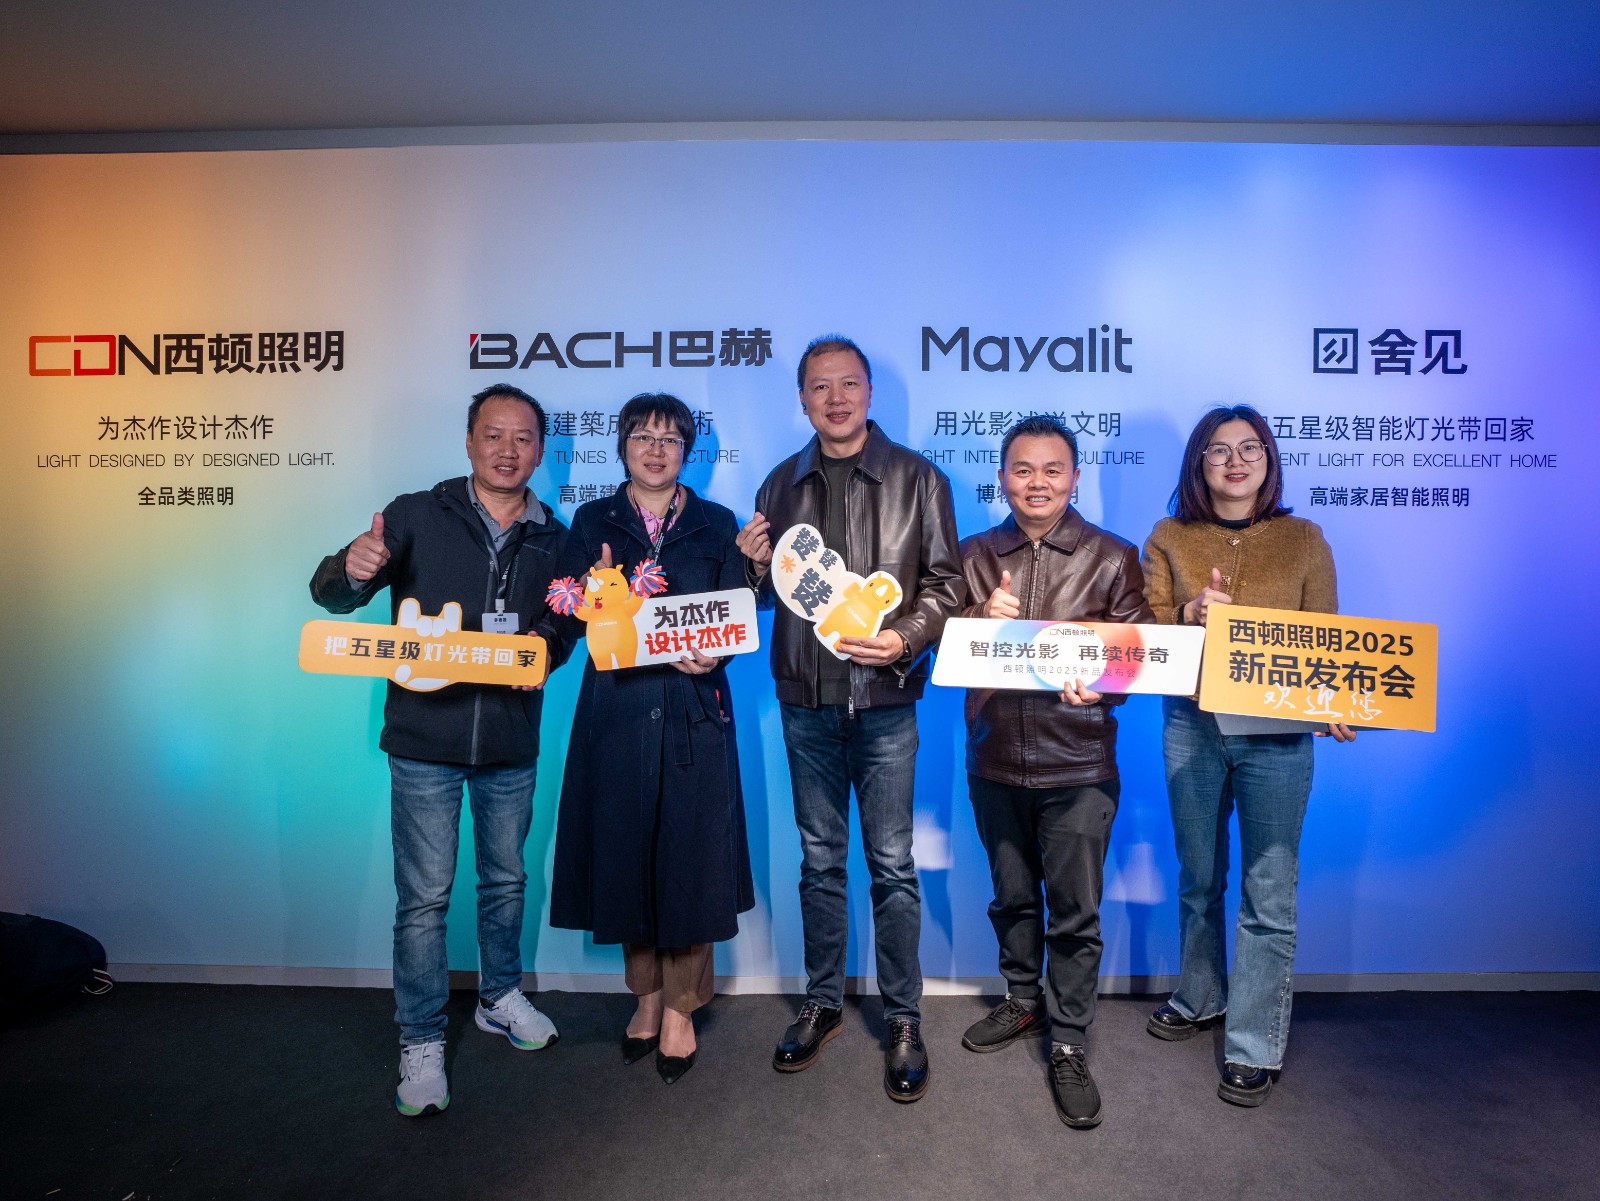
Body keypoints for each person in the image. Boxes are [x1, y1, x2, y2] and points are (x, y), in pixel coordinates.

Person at [309, 384, 569, 1118]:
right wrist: (351, 567)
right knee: (423, 898)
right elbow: (333, 593)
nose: (508, 450)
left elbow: (569, 622)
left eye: (523, 437)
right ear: (469, 441)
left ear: (540, 450)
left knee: (506, 880)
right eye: (494, 435)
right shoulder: (417, 513)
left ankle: (499, 996)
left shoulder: (555, 536)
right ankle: (420, 1037)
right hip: (425, 738)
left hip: (510, 740)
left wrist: (544, 650)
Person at [736, 335, 964, 1103]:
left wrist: (905, 637)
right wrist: (751, 566)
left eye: (849, 383)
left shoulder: (919, 478)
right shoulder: (779, 484)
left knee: (892, 863)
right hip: (805, 702)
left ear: (869, 392)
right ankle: (823, 1000)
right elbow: (762, 597)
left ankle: (903, 1017)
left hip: (886, 702)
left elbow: (947, 584)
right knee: (820, 859)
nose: (835, 398)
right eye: (820, 386)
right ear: (802, 400)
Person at [1140, 404, 1356, 1107]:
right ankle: (1201, 995)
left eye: (1250, 448)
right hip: (1192, 724)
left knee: (1268, 888)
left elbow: (1328, 638)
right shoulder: (1169, 536)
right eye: (1219, 450)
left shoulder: (1304, 539)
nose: (1236, 461)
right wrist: (1186, 615)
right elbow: (1141, 628)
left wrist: (1337, 702)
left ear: (1269, 459)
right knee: (1198, 876)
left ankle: (1254, 1042)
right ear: (1198, 463)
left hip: (1277, 734)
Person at [549, 392, 754, 1086]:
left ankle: (682, 1007)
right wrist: (589, 593)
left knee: (690, 860)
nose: (656, 449)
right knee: (626, 851)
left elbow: (735, 611)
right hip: (618, 707)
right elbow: (569, 608)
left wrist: (717, 653)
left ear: (687, 450)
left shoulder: (716, 522)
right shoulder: (593, 520)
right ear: (624, 446)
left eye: (670, 439)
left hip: (694, 705)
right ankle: (645, 995)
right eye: (643, 436)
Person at [956, 416, 1152, 1128]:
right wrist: (979, 614)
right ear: (1002, 477)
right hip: (995, 758)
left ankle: (1068, 1038)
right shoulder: (974, 554)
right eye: (1022, 469)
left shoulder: (1113, 556)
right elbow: (939, 638)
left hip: (1079, 765)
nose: (1036, 483)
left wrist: (1103, 686)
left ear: (1074, 477)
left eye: (1052, 470)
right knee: (1011, 898)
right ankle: (1022, 1000)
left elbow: (1138, 651)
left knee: (1075, 912)